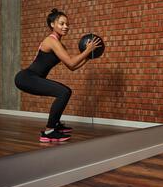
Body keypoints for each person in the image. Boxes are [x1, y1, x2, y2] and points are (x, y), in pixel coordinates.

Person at [15, 9, 102, 142]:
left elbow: (72, 66)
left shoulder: (60, 45)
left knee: (63, 92)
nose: (65, 27)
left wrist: (89, 56)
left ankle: (56, 124)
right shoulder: (51, 41)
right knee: (64, 92)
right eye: (61, 24)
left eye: (67, 24)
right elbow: (71, 61)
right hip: (26, 78)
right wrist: (87, 51)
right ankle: (49, 131)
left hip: (32, 78)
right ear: (52, 25)